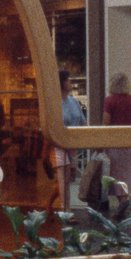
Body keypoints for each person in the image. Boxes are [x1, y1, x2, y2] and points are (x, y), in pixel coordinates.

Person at [101, 72, 131, 199]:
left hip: (115, 143)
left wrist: (101, 142)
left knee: (117, 175)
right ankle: (124, 201)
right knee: (129, 175)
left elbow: (106, 122)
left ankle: (122, 202)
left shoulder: (109, 101)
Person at [48, 69, 87, 211]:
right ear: (62, 83)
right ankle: (67, 210)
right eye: (68, 80)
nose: (70, 83)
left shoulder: (73, 102)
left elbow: (83, 121)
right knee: (63, 178)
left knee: (69, 178)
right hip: (59, 144)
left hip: (73, 145)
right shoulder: (54, 104)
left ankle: (49, 203)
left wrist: (86, 137)